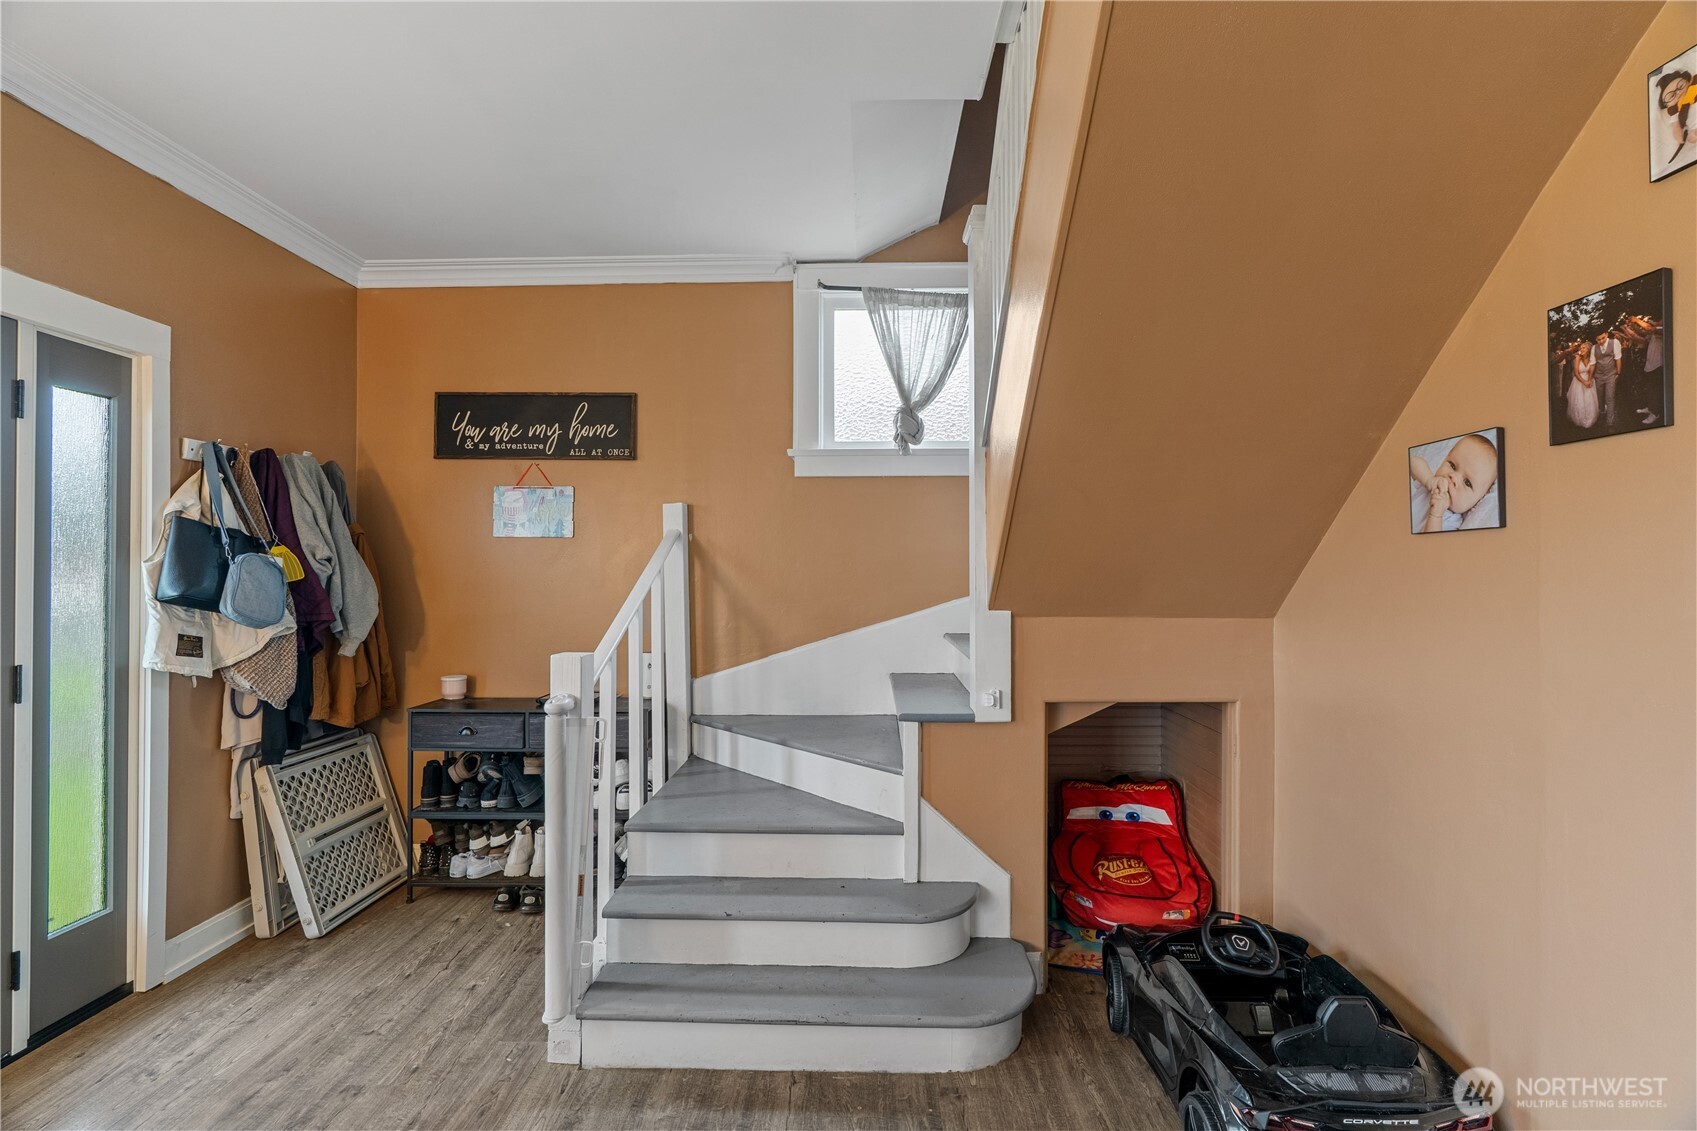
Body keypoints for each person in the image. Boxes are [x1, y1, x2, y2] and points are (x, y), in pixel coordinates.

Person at [1410, 433, 1500, 533]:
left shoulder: (1453, 521)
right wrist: (1429, 480)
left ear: (1477, 501)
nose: (1453, 477)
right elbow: (1412, 462)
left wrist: (1436, 515)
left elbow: (1431, 541)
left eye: (1467, 482)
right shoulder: (1430, 486)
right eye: (1452, 465)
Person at [1652, 70, 1696, 176]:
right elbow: (1676, 128)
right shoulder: (1675, 110)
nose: (1678, 93)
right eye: (1672, 96)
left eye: (1680, 86)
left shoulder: (1694, 84)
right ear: (1666, 105)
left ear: (1687, 80)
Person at [1592, 330, 1622, 428]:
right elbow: (1592, 363)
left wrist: (1618, 373)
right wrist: (1590, 377)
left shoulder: (1614, 343)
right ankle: (1602, 414)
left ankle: (1610, 422)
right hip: (1598, 376)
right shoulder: (1594, 348)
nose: (1601, 341)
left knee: (1610, 398)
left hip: (1611, 375)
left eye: (1603, 338)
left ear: (1606, 334)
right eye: (1598, 339)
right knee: (1599, 397)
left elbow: (1618, 358)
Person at [1567, 341, 1599, 429]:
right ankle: (1579, 418)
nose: (1581, 349)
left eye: (1583, 348)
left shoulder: (1592, 358)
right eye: (1580, 348)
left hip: (1589, 380)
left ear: (1589, 349)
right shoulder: (1577, 358)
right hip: (1579, 381)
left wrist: (1589, 380)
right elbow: (1576, 373)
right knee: (1579, 400)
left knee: (1589, 400)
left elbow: (1592, 371)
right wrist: (1584, 382)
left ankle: (1590, 417)